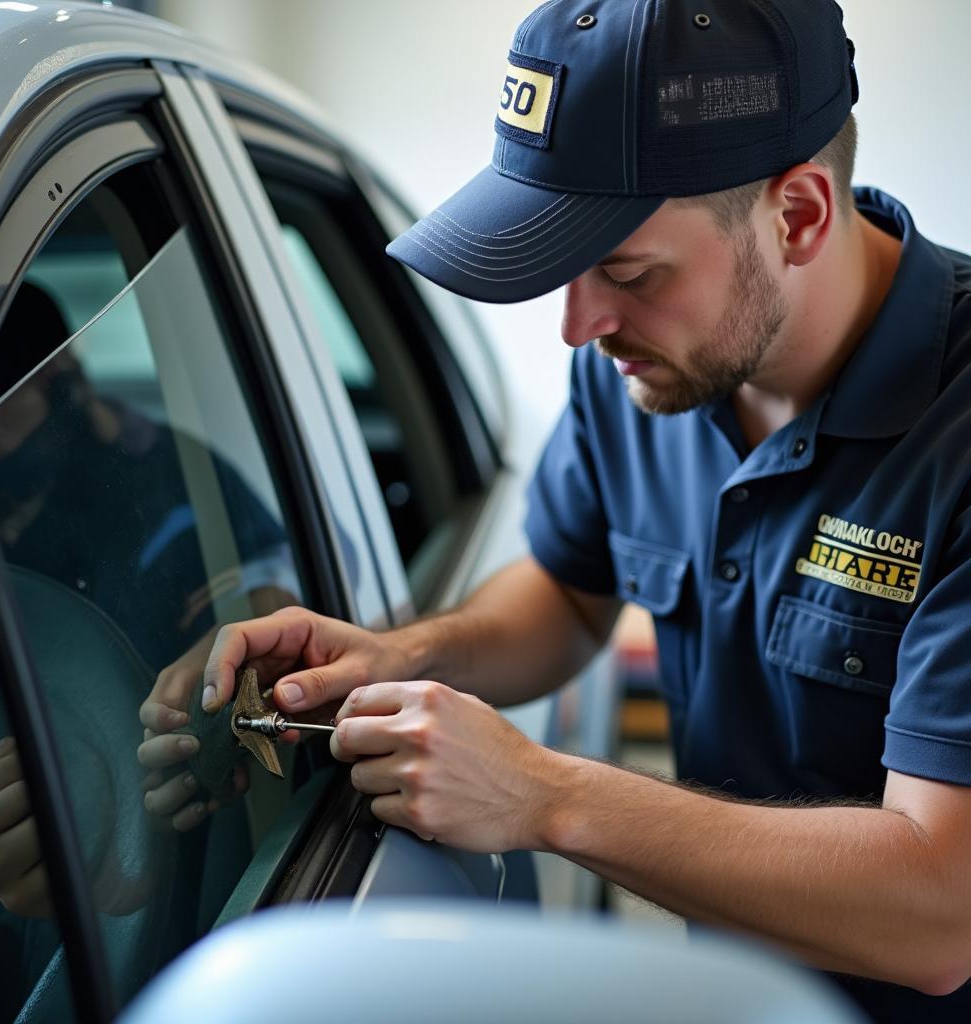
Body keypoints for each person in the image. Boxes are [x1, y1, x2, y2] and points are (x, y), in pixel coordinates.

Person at [163, 1, 971, 1019]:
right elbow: (568, 591)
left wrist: (544, 795)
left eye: (626, 273)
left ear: (798, 216)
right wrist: (399, 654)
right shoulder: (643, 366)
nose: (579, 326)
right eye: (562, 268)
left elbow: (942, 907)